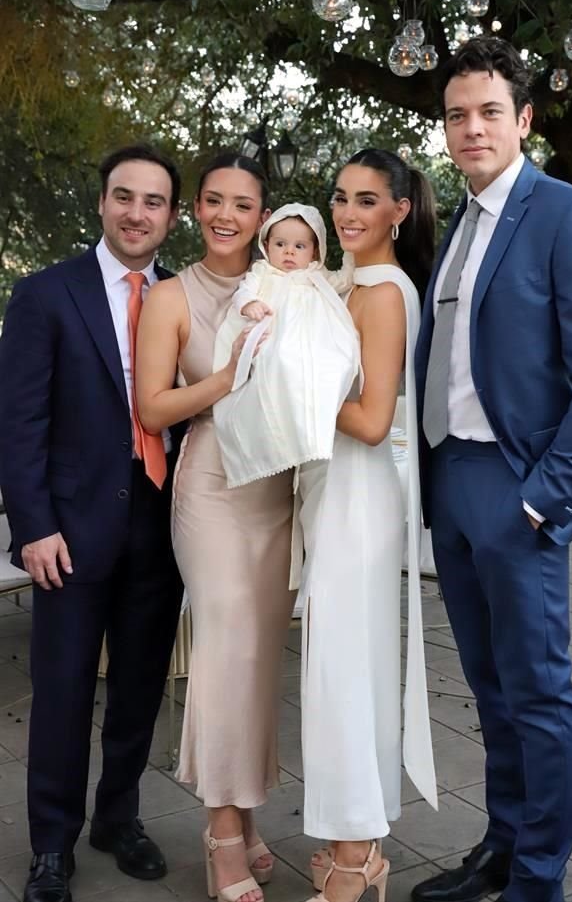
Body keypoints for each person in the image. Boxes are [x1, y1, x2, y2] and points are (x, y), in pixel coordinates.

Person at [413, 37, 572, 902]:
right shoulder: (459, 220)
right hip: (451, 482)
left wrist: (542, 501)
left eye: (490, 111)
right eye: (458, 114)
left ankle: (539, 880)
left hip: (518, 487)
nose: (472, 128)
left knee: (539, 694)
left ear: (524, 119)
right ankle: (502, 847)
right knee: (489, 686)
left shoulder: (568, 214)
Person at [0, 143, 186, 902]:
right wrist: (34, 524)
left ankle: (118, 815)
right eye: (124, 196)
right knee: (64, 689)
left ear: (172, 216)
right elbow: (18, 421)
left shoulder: (185, 295)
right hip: (69, 533)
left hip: (162, 524)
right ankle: (51, 843)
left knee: (141, 686)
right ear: (102, 202)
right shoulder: (45, 294)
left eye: (152, 201)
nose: (136, 212)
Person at [134, 152, 294, 902]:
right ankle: (221, 832)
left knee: (260, 658)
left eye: (244, 204)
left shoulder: (290, 288)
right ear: (196, 209)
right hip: (211, 484)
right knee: (227, 650)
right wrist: (226, 379)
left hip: (276, 491)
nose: (228, 216)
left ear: (265, 216)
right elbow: (153, 409)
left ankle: (247, 812)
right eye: (214, 202)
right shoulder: (171, 296)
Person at [300, 149, 438, 902]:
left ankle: (356, 858)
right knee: (339, 667)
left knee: (347, 671)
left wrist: (292, 385)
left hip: (360, 495)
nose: (347, 212)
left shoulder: (383, 292)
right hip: (341, 494)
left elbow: (374, 418)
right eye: (339, 196)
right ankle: (353, 839)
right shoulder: (351, 283)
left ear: (398, 210)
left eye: (365, 199)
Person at [212, 202, 358, 490]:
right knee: (277, 363)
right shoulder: (264, 272)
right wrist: (250, 304)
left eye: (300, 246)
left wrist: (352, 251)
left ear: (314, 251)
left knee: (330, 367)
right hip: (275, 339)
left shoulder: (317, 275)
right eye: (280, 244)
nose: (289, 252)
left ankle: (308, 433)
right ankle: (276, 436)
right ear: (266, 245)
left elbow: (344, 279)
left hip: (312, 346)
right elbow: (244, 291)